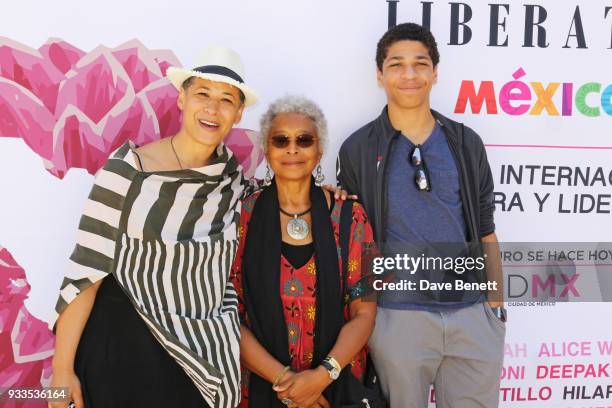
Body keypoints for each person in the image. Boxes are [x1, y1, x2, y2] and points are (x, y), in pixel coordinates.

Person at [49, 45, 259, 408]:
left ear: (238, 113)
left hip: (196, 358)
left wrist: (329, 194)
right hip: (122, 346)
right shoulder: (127, 171)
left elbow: (285, 200)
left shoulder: (231, 182)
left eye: (226, 100)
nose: (212, 108)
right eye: (202, 94)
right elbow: (85, 272)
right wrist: (61, 370)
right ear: (182, 99)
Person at [336, 23, 506, 408]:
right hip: (398, 318)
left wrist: (495, 308)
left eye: (420, 64)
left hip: (471, 315)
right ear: (380, 75)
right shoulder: (358, 148)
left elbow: (486, 228)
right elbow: (353, 235)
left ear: (435, 72)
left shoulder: (465, 142)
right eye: (397, 64)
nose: (409, 74)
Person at [230, 96, 377, 407]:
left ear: (320, 150)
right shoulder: (240, 216)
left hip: (335, 388)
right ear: (267, 151)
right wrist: (289, 385)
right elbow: (228, 314)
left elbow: (366, 313)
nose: (292, 149)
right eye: (280, 140)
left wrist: (321, 377)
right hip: (259, 387)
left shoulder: (354, 216)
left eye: (304, 140)